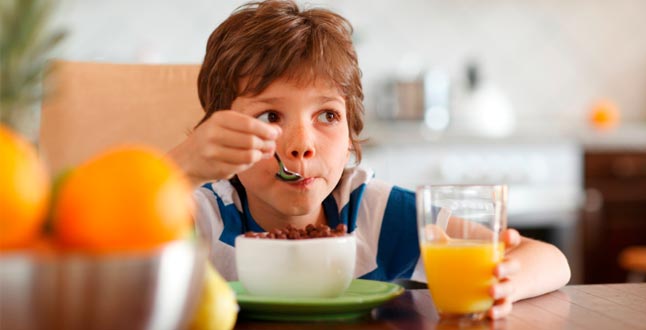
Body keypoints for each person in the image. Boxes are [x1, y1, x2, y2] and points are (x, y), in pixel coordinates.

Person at [167, 0, 571, 319]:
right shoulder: (203, 218)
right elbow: (105, 257)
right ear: (219, 129)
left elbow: (551, 260)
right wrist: (180, 167)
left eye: (327, 115)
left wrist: (505, 284)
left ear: (350, 133)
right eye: (270, 116)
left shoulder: (374, 213)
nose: (301, 145)